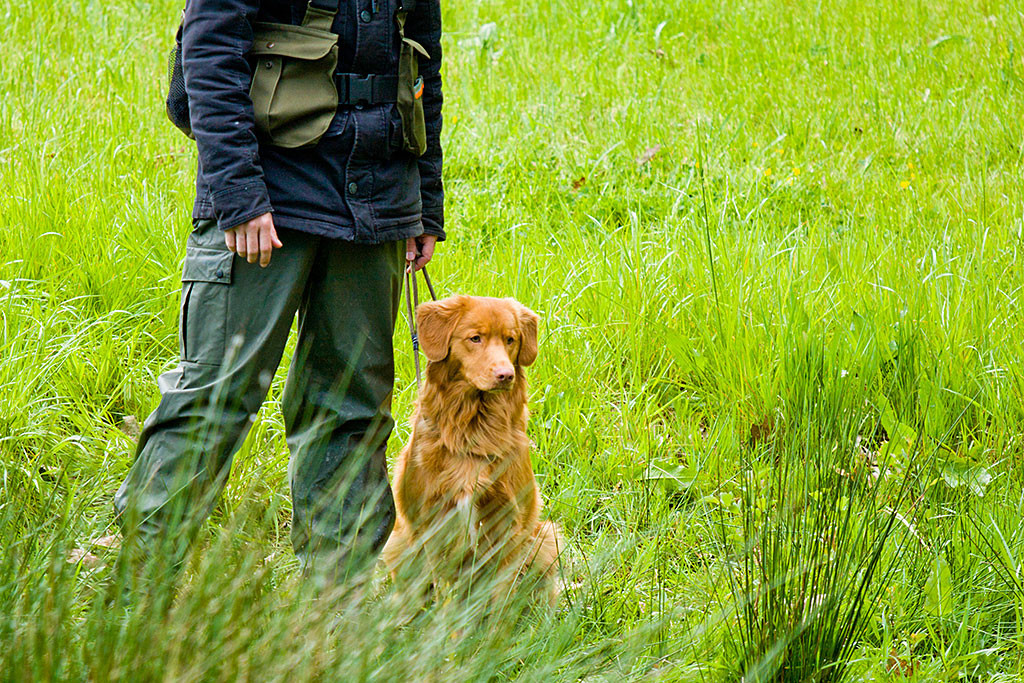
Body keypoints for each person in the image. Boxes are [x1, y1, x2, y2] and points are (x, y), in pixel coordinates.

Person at [113, 0, 444, 588]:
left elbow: (421, 60)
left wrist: (424, 200)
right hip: (269, 194)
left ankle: (337, 610)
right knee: (215, 397)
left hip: (378, 198)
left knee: (352, 409)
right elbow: (210, 46)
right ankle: (141, 593)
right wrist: (238, 194)